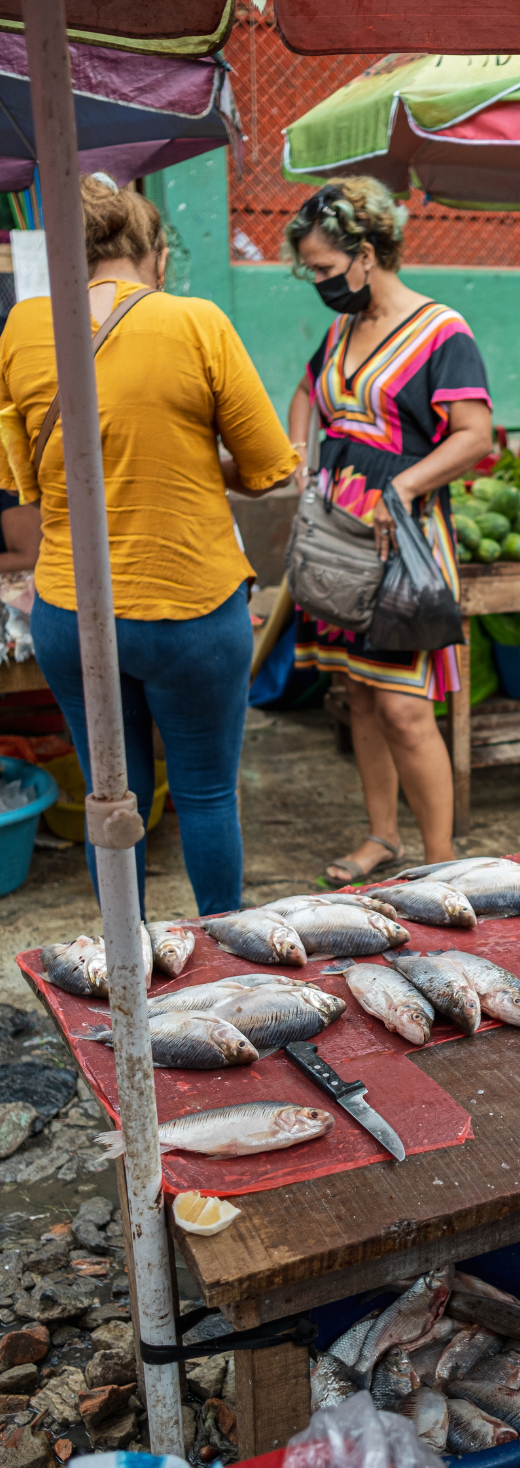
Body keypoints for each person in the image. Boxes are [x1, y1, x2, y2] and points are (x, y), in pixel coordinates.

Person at [6, 176, 297, 915]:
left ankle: (128, 974)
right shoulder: (196, 322)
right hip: (191, 608)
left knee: (113, 802)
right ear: (154, 253)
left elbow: (24, 482)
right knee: (203, 794)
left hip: (72, 611)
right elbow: (268, 470)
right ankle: (231, 970)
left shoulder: (24, 327)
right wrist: (196, 457)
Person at [283, 176, 493, 885]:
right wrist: (298, 467)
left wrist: (399, 486)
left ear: (366, 252)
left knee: (405, 708)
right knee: (359, 694)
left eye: (323, 267)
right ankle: (383, 836)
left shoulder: (443, 332)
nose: (318, 282)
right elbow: (308, 394)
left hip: (401, 540)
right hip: (340, 538)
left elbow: (474, 435)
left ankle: (443, 866)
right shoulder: (342, 329)